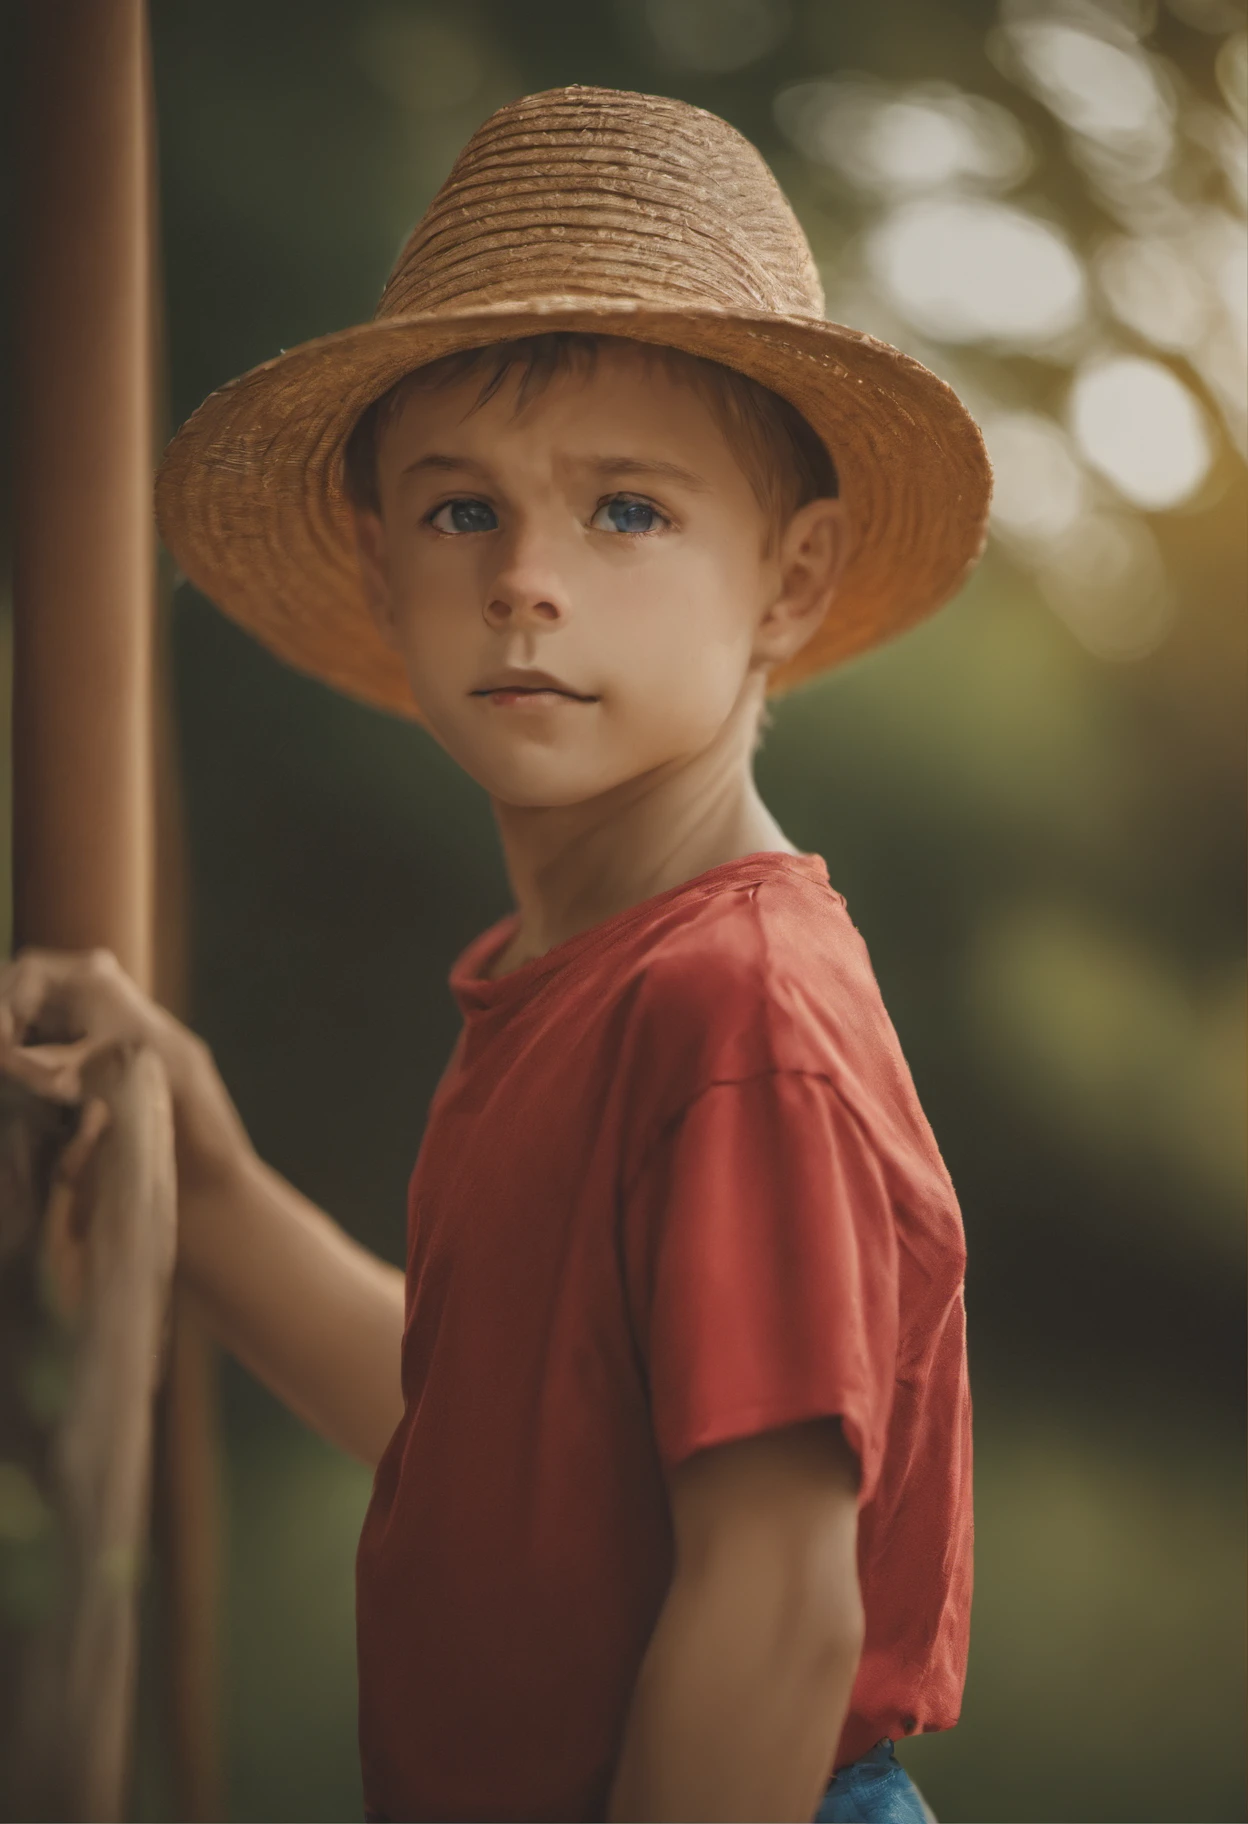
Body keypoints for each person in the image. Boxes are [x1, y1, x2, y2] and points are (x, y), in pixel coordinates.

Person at [0, 86, 987, 1824]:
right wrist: (211, 1191)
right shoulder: (575, 979)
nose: (528, 580)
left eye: (626, 511)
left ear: (791, 578)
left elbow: (769, 1611)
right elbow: (506, 1459)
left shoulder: (737, 1009)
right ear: (380, 566)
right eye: (463, 512)